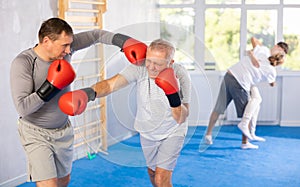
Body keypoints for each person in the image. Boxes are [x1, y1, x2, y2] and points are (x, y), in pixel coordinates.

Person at [10, 17, 147, 187]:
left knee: (63, 180)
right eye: (64, 46)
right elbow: (23, 108)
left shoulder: (65, 48)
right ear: (46, 41)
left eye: (70, 45)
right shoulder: (24, 63)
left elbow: (96, 35)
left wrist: (125, 42)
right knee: (49, 184)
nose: (69, 50)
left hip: (63, 129)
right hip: (36, 132)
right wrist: (51, 86)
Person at [58, 39, 192, 187]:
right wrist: (87, 93)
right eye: (149, 61)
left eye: (158, 64)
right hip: (147, 131)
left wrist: (172, 95)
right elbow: (110, 84)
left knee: (161, 179)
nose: (152, 68)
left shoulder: (180, 74)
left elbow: (181, 117)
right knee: (153, 174)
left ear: (170, 62)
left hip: (172, 131)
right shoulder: (140, 68)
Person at [204, 37, 288, 149]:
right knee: (247, 113)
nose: (276, 48)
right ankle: (245, 143)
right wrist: (251, 53)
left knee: (219, 108)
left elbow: (254, 41)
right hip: (240, 83)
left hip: (229, 75)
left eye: (279, 49)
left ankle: (208, 135)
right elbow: (271, 83)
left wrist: (252, 54)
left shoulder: (265, 56)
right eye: (277, 46)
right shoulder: (264, 53)